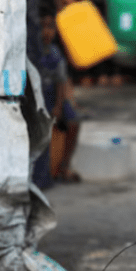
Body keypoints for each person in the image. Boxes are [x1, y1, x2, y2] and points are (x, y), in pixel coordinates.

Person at [33, 11, 82, 187]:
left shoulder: (54, 53)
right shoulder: (31, 52)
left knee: (73, 121)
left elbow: (61, 82)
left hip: (53, 97)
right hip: (36, 99)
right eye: (42, 27)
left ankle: (64, 165)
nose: (47, 32)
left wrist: (60, 106)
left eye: (51, 27)